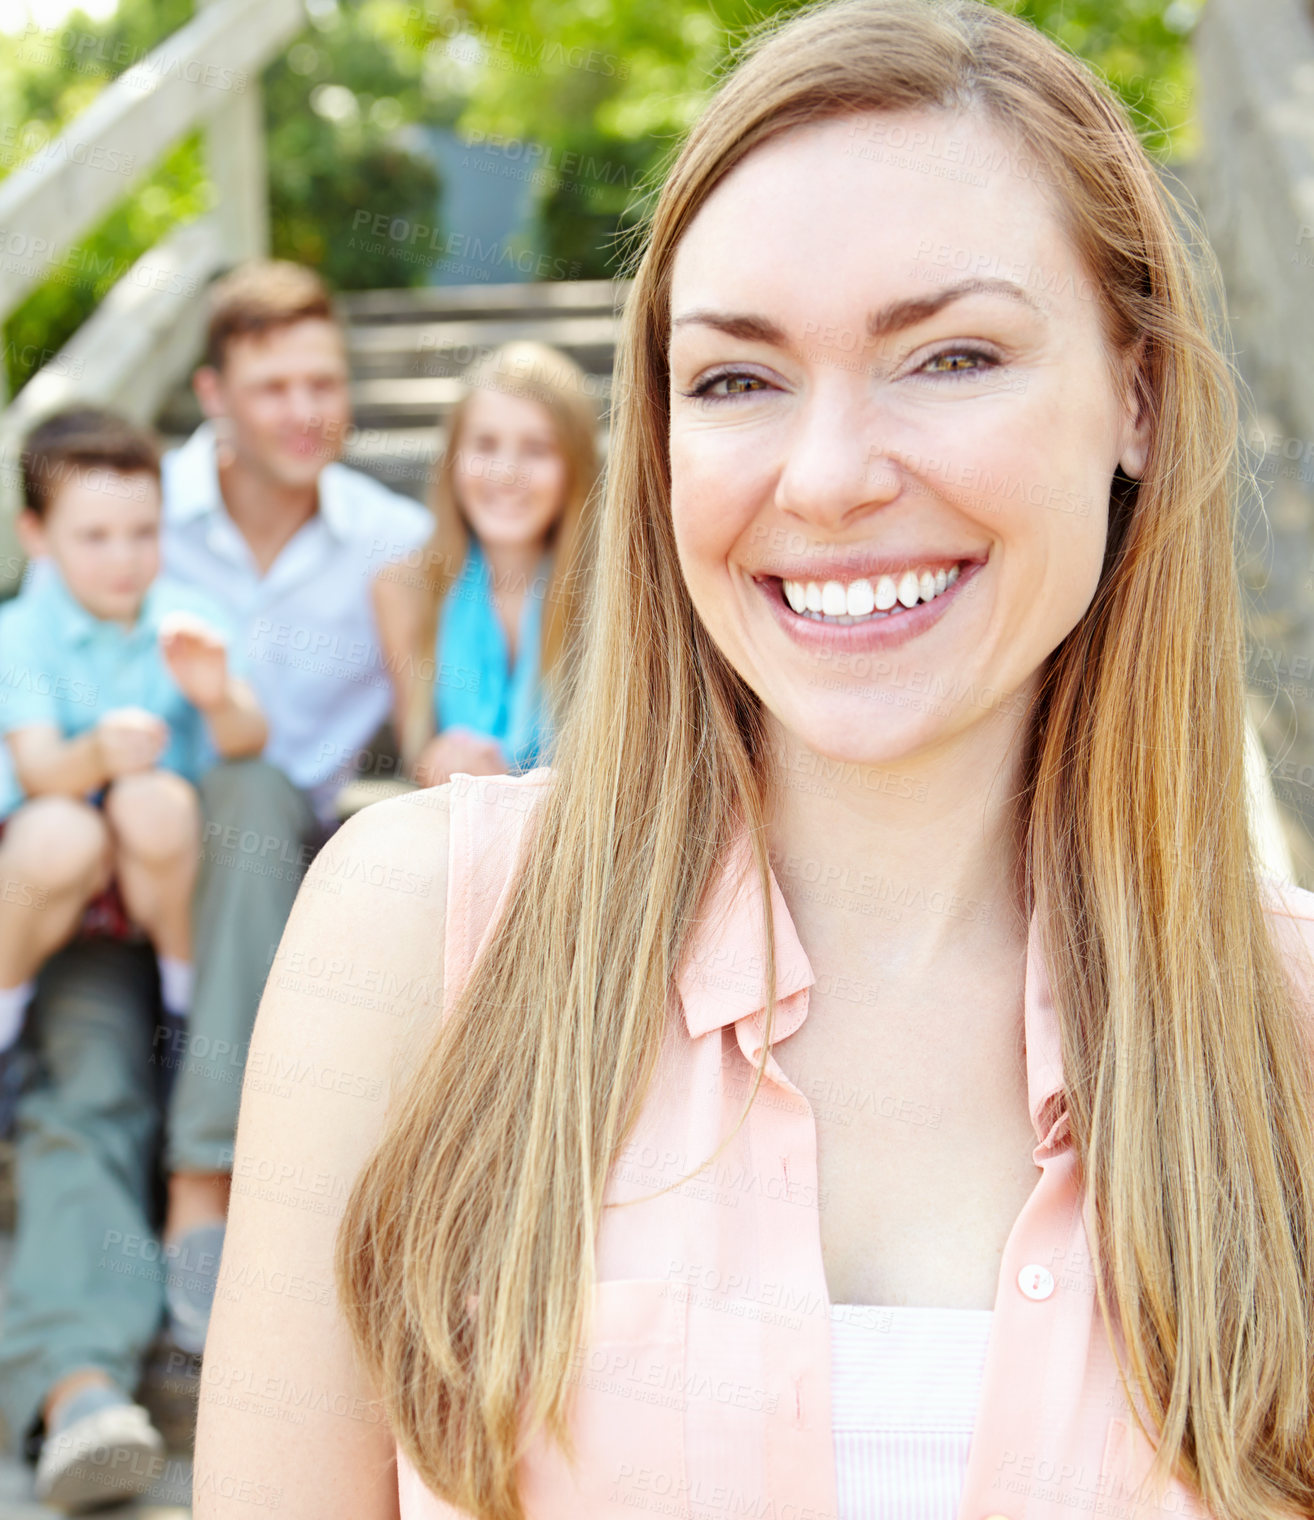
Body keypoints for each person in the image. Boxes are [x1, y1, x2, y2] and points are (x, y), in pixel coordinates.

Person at [198, 1, 1314, 1517]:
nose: (830, 475)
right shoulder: (413, 940)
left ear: (1134, 394)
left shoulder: (1288, 1039)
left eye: (951, 355)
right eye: (734, 378)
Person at [0, 262, 430, 1509]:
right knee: (87, 1063)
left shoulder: (390, 546)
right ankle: (80, 1385)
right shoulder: (137, 511)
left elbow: (419, 716)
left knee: (249, 794)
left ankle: (210, 1170)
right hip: (104, 880)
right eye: (274, 387)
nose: (307, 411)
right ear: (214, 397)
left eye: (328, 384)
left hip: (251, 889)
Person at [0, 407, 266, 1511]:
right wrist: (91, 760)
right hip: (50, 914)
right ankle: (78, 1387)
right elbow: (44, 775)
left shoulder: (181, 620)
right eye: (95, 536)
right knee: (79, 1088)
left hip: (148, 911)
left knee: (160, 805)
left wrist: (213, 696)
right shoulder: (23, 633)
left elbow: (247, 747)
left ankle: (185, 1018)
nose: (124, 559)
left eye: (142, 533)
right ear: (36, 536)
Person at [369, 341, 599, 793]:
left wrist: (512, 793)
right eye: (485, 445)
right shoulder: (403, 588)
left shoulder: (616, 591)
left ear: (573, 467)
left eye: (536, 449)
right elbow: (419, 754)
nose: (507, 472)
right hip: (456, 833)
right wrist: (448, 763)